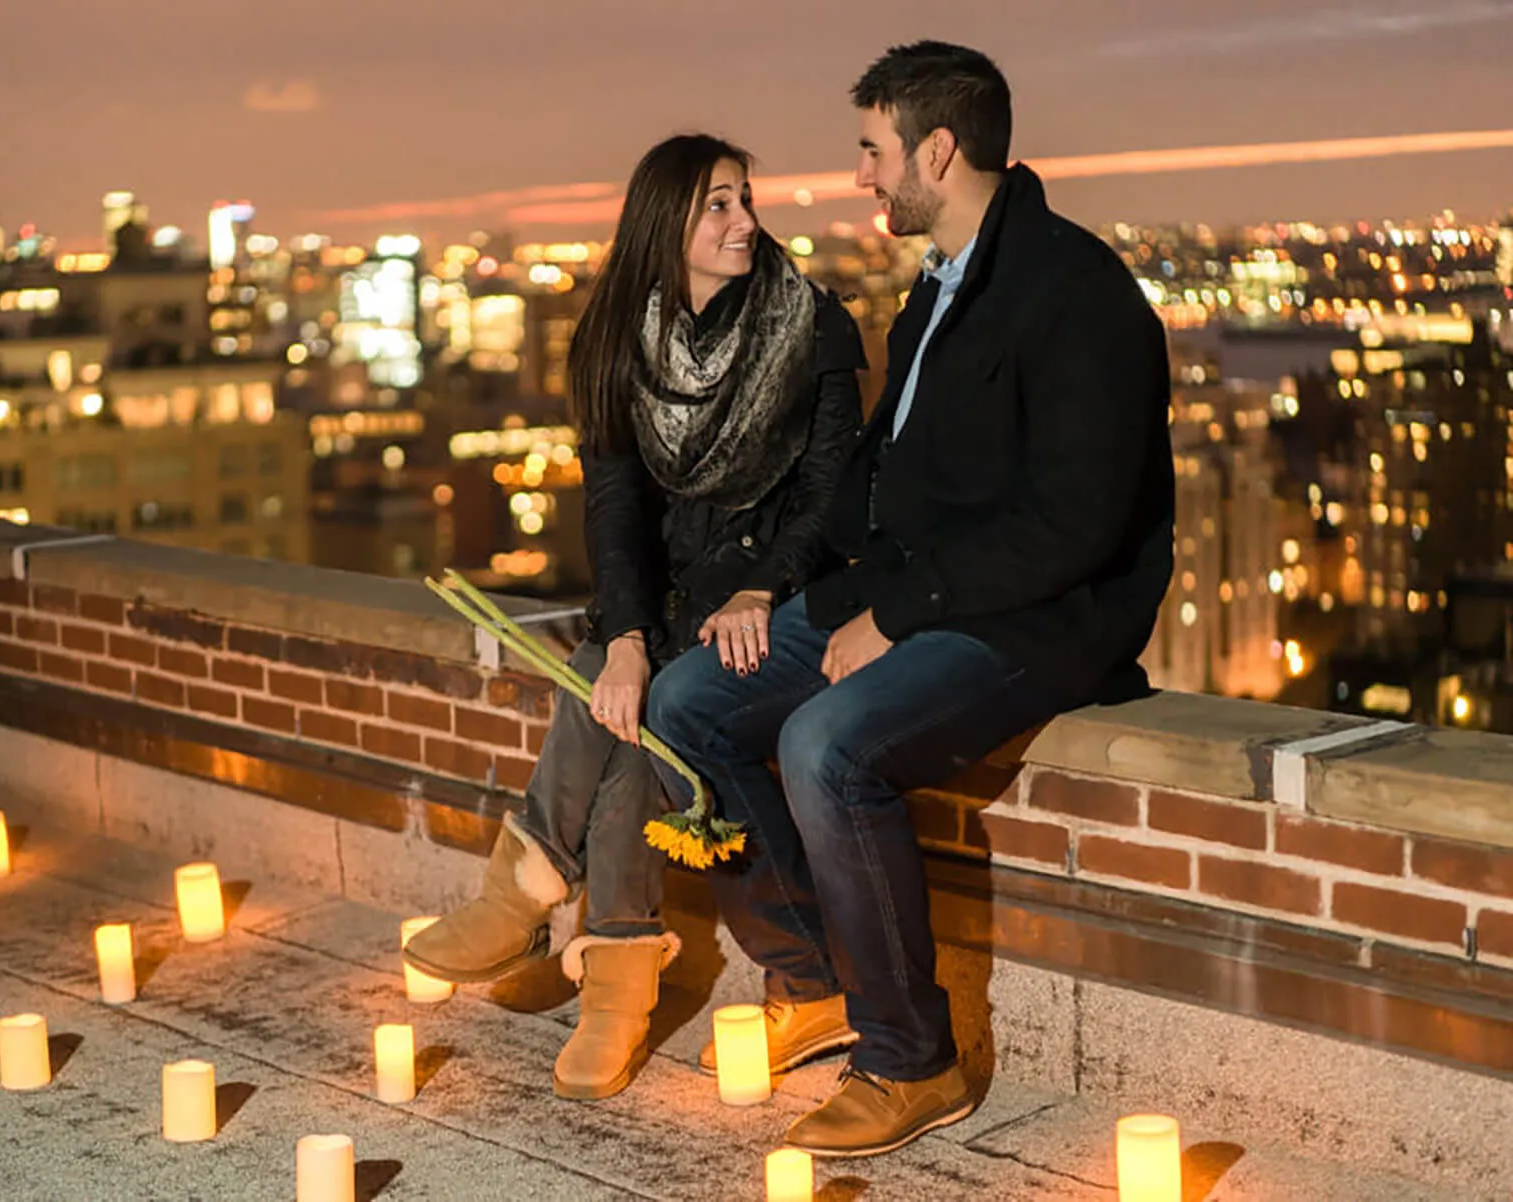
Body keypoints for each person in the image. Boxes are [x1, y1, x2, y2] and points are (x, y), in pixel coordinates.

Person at [647, 42, 1174, 1157]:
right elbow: (874, 483)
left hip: (1040, 620)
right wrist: (774, 585)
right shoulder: (939, 284)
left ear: (939, 148)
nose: (860, 177)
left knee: (828, 742)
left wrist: (895, 616)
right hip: (913, 594)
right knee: (690, 699)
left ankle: (910, 1056)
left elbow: (1077, 529)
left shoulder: (1075, 291)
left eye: (873, 150)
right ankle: (816, 976)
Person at [404, 133, 867, 1101]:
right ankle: (609, 969)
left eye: (746, 200)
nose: (747, 222)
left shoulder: (810, 322)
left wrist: (758, 586)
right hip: (669, 598)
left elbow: (833, 490)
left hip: (782, 588)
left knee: (642, 708)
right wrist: (621, 636)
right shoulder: (617, 336)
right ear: (668, 224)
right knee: (614, 690)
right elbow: (613, 504)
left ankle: (530, 891)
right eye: (720, 206)